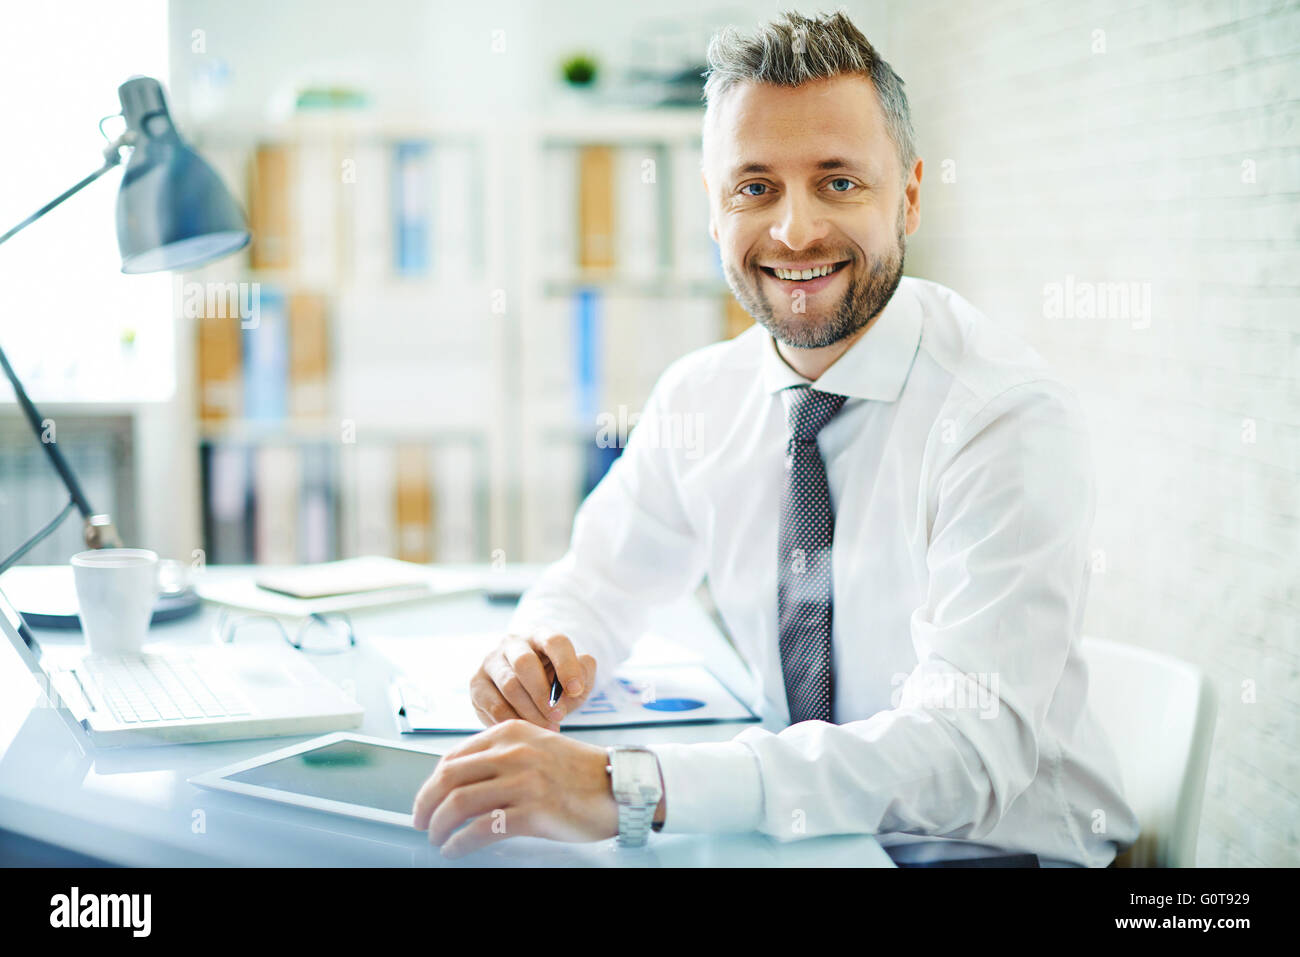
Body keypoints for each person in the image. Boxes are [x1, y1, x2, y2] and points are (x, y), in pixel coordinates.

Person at [413, 8, 1139, 866]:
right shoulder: (702, 395)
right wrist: (533, 651)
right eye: (754, 187)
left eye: (839, 182)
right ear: (713, 211)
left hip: (991, 858)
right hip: (802, 845)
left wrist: (628, 785)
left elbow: (961, 755)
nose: (795, 231)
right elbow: (597, 584)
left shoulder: (1003, 418)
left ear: (907, 195)